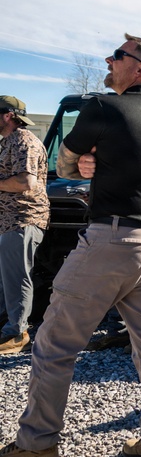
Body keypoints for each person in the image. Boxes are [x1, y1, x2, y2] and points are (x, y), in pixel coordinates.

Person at [0, 34, 141, 457]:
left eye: (117, 57)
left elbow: (62, 166)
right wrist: (95, 163)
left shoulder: (105, 107)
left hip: (112, 242)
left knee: (53, 343)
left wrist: (84, 163)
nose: (108, 61)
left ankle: (37, 444)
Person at [0, 96, 49, 355]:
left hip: (23, 219)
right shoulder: (9, 142)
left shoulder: (24, 141)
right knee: (5, 279)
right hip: (9, 221)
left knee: (17, 278)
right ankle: (7, 328)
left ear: (8, 115)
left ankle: (17, 335)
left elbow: (25, 182)